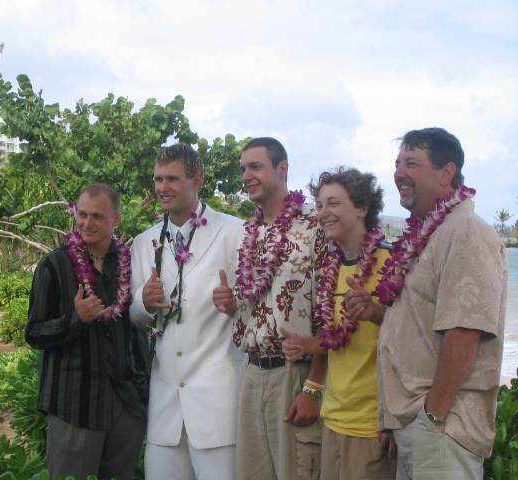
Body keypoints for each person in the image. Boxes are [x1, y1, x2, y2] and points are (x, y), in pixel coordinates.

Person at [345, 127, 507, 479]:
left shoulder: (466, 231)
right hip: (417, 422)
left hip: (443, 427)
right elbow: (423, 322)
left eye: (412, 163)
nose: (399, 173)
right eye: (397, 163)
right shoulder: (432, 233)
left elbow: (466, 330)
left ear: (446, 173)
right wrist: (378, 313)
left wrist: (432, 415)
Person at [213, 137, 327, 480]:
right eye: (243, 168)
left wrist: (314, 388)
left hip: (295, 374)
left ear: (282, 169)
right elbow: (260, 302)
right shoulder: (251, 231)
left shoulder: (316, 226)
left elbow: (329, 316)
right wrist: (232, 305)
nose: (246, 175)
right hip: (251, 372)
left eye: (256, 166)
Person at [130, 143, 246, 480]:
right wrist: (143, 302)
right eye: (158, 179)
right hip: (165, 409)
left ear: (196, 180)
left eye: (172, 179)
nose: (162, 187)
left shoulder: (236, 233)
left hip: (218, 408)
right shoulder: (144, 242)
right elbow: (135, 319)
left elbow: (259, 310)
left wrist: (236, 304)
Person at [26, 184, 148, 480]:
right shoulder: (54, 265)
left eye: (97, 216)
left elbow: (139, 324)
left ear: (116, 219)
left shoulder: (131, 264)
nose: (87, 223)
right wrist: (76, 319)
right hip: (75, 403)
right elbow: (34, 333)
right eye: (82, 214)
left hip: (125, 402)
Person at [281, 167, 396, 480]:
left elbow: (411, 338)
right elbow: (336, 338)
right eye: (320, 205)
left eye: (333, 203)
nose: (323, 213)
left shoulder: (392, 263)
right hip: (333, 417)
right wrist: (304, 345)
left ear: (362, 208)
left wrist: (376, 311)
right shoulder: (331, 269)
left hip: (372, 425)